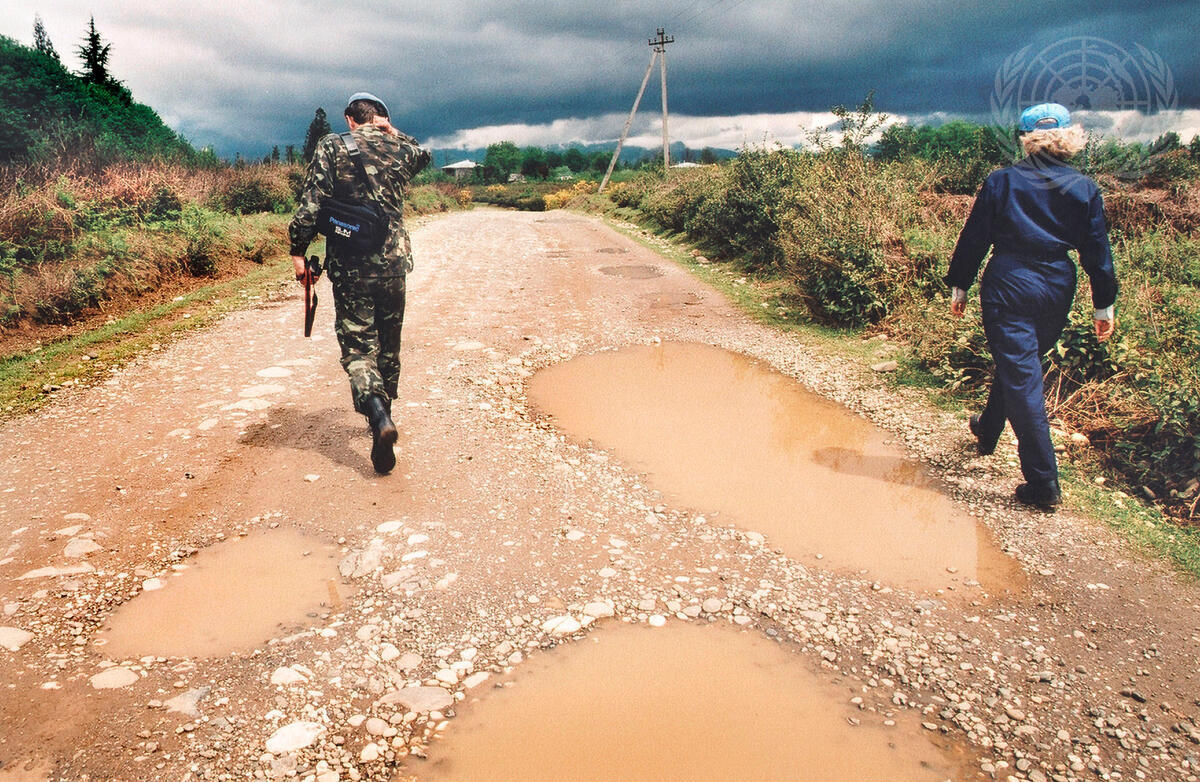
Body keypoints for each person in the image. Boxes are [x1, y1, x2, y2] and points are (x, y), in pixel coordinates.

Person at [945, 102, 1118, 511]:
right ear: (1068, 137)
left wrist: (960, 283)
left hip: (1009, 281)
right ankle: (987, 431)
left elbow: (975, 237)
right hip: (1057, 283)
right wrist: (1103, 304)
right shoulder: (1084, 188)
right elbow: (1098, 251)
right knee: (1020, 364)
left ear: (1026, 139)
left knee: (1022, 374)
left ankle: (1043, 483)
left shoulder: (1001, 182)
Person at [289, 92, 430, 474]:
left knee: (357, 348)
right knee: (388, 347)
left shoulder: (333, 146)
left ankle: (379, 414)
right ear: (381, 118)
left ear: (350, 119)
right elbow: (424, 155)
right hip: (394, 264)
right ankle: (382, 423)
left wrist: (298, 251)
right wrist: (393, 131)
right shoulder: (400, 148)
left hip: (352, 267)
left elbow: (312, 202)